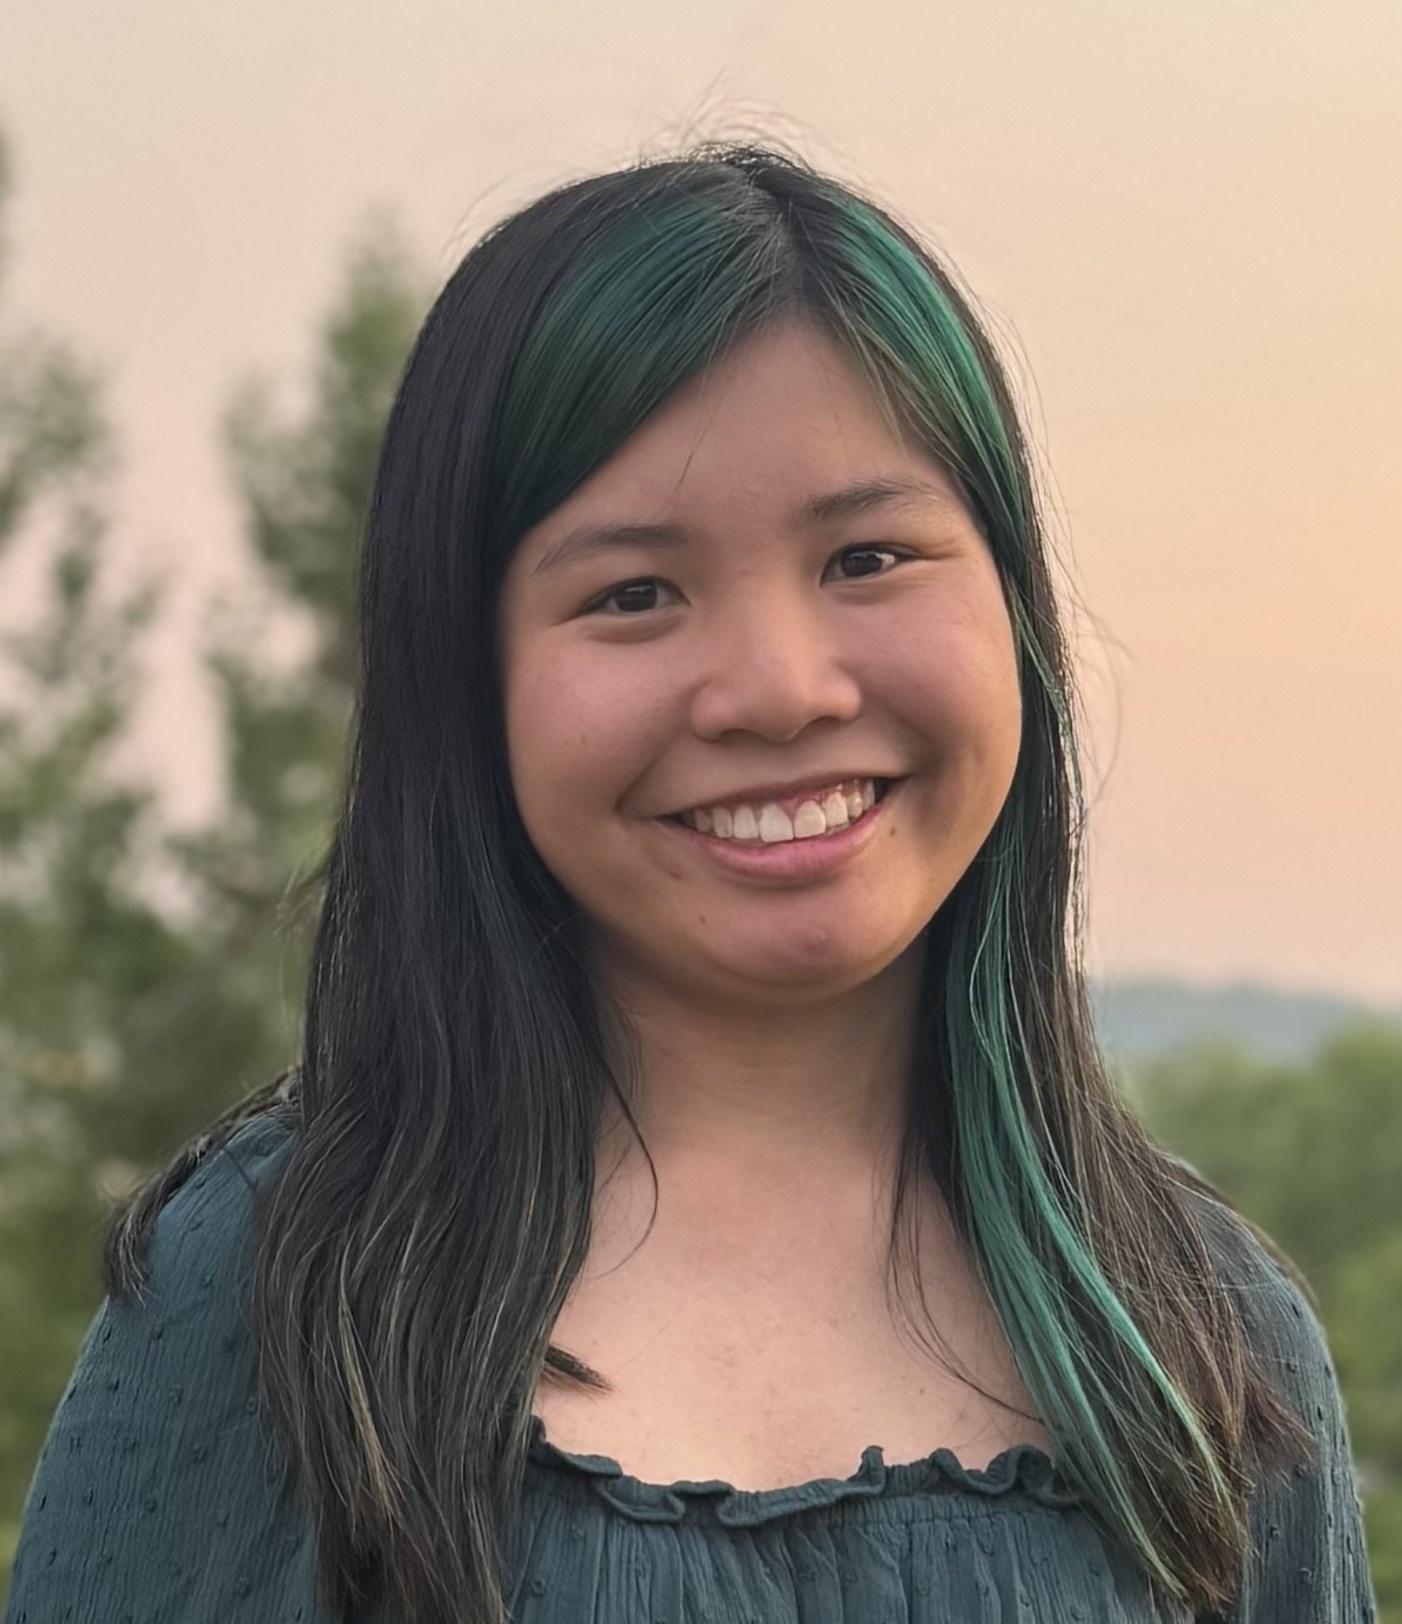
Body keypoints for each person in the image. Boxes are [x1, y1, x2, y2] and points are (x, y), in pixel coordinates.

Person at [4, 142, 1377, 1624]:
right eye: (633, 594)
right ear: (468, 684)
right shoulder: (277, 1299)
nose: (780, 690)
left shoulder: (1205, 1344)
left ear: (1013, 606)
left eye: (868, 557)